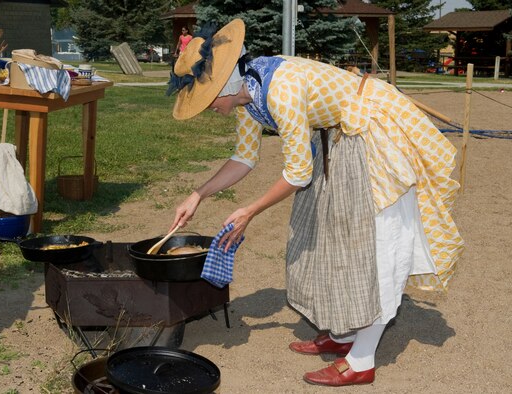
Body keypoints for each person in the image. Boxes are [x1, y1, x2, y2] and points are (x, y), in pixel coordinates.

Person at [166, 19, 463, 387]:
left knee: (373, 244)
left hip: (373, 132)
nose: (207, 109)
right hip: (340, 137)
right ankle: (344, 336)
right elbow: (245, 157)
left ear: (224, 85)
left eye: (206, 99)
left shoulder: (280, 89)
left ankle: (362, 360)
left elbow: (297, 172)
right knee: (330, 235)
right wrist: (198, 194)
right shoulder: (249, 94)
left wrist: (250, 211)